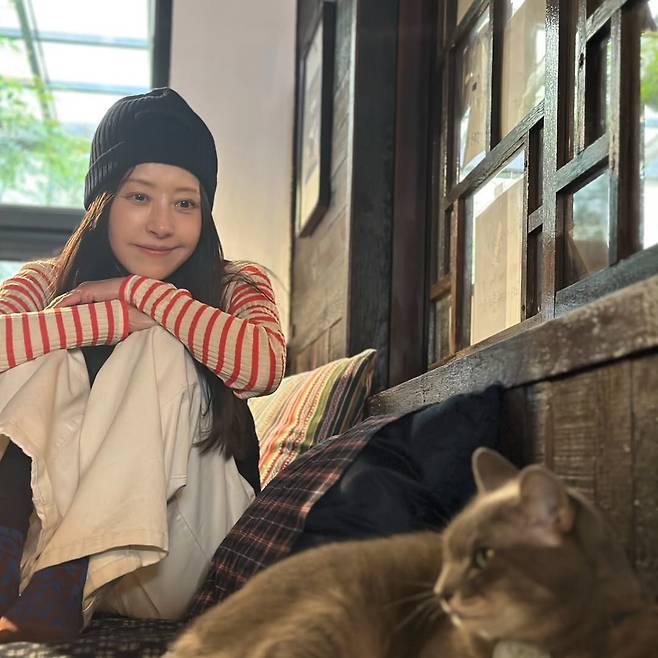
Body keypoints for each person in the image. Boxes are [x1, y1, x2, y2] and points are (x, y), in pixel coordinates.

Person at [0, 87, 286, 643]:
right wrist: (107, 318)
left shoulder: (235, 282)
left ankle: (63, 582)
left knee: (158, 342)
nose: (162, 223)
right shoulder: (44, 279)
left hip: (182, 546)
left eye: (185, 203)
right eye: (139, 196)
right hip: (46, 538)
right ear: (102, 202)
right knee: (44, 344)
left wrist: (145, 296)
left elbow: (262, 367)